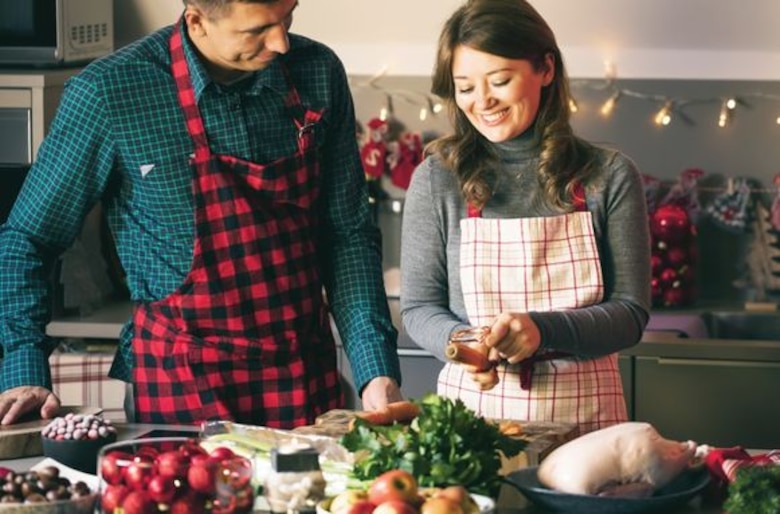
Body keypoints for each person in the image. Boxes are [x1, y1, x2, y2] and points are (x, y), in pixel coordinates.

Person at [0, 0, 403, 428]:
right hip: (181, 381)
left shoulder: (317, 71)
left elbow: (347, 235)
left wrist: (375, 369)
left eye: (288, 17)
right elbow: (28, 239)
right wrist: (25, 366)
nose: (281, 42)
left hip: (303, 372)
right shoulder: (111, 91)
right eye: (258, 30)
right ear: (197, 21)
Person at [400, 0, 651, 435]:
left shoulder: (607, 175)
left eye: (500, 80)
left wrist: (543, 330)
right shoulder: (438, 178)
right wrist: (466, 344)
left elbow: (631, 314)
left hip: (586, 425)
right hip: (473, 421)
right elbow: (420, 308)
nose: (482, 102)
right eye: (465, 87)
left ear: (546, 70)